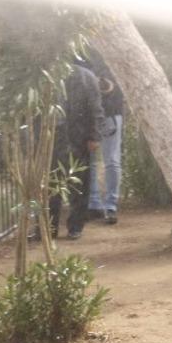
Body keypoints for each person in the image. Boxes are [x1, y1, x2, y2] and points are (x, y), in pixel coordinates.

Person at [48, 59, 107, 240]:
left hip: (78, 136)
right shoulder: (49, 75)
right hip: (55, 137)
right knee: (52, 184)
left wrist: (94, 136)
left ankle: (75, 226)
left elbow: (96, 108)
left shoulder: (85, 76)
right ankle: (50, 228)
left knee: (79, 183)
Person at [84, 48, 124, 225]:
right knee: (91, 161)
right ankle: (95, 204)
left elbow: (109, 87)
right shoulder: (82, 53)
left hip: (109, 114)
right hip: (90, 116)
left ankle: (109, 206)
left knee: (110, 161)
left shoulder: (112, 53)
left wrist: (91, 81)